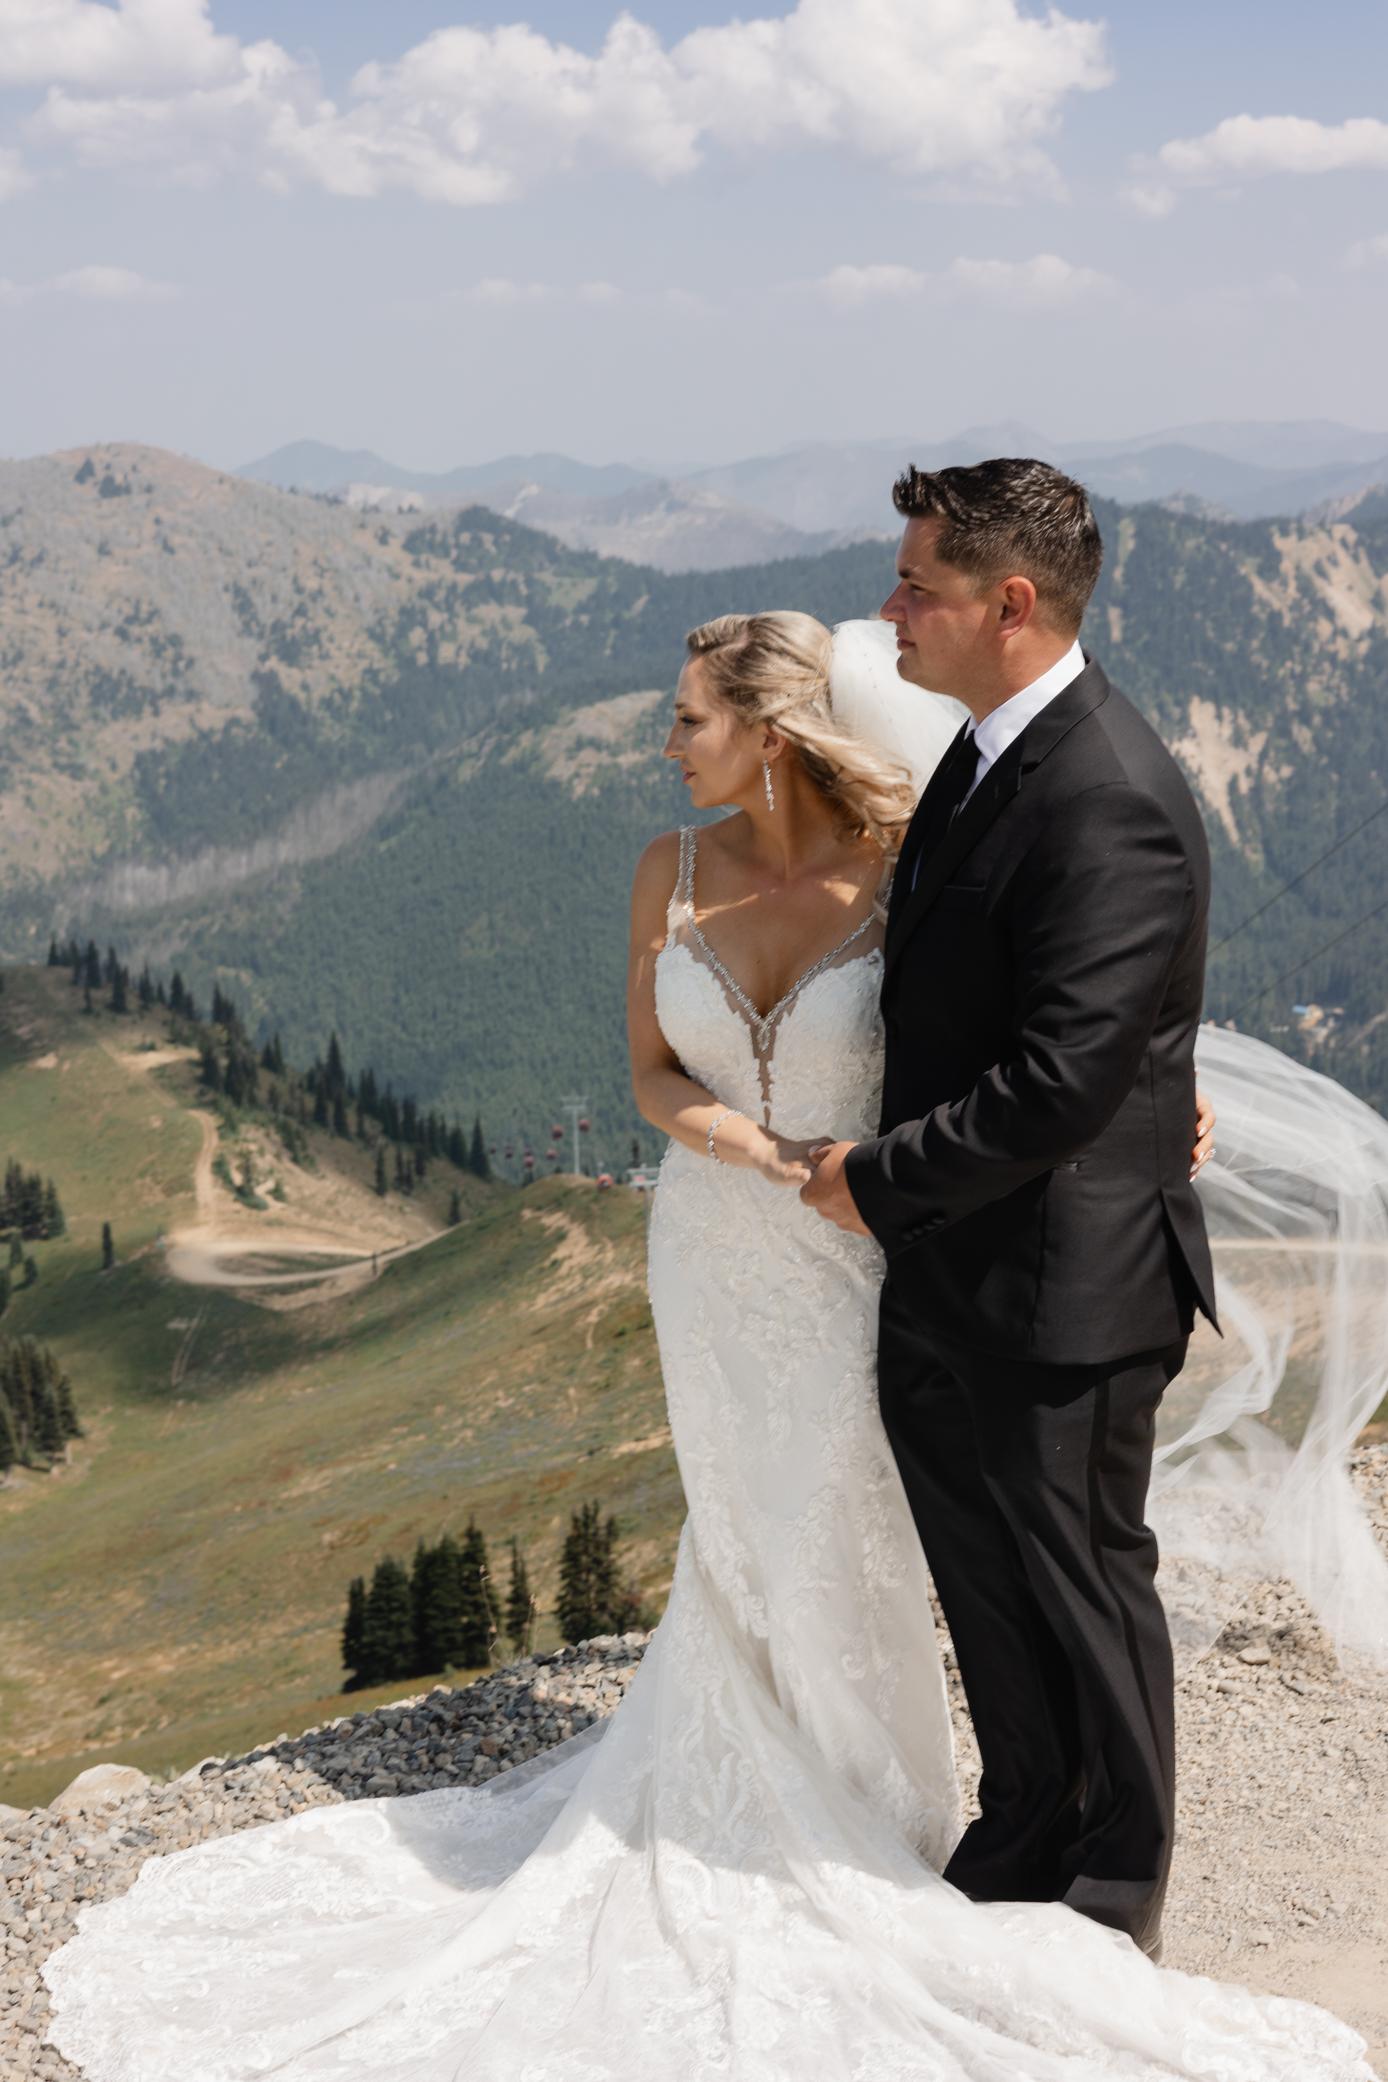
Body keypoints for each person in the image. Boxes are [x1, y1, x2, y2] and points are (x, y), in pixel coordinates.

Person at [40, 497, 1380, 2082]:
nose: (664, 744)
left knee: (935, 1536)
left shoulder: (926, 844)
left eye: (687, 719)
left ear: (772, 732)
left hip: (866, 1249)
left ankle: (960, 1831)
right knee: (778, 1527)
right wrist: (750, 1144)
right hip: (725, 1249)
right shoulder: (720, 854)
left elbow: (1047, 1008)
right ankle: (904, 1802)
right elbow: (674, 1067)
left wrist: (1156, 1102)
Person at [802, 457, 1211, 1960]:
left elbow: (1061, 1082)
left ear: (1011, 604)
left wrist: (869, 1182)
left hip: (1067, 1286)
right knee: (986, 1579)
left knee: (1083, 1581)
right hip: (952, 1272)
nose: (892, 609)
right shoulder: (983, 754)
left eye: (920, 585)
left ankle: (1115, 1883)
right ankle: (1027, 1818)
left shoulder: (1110, 796)